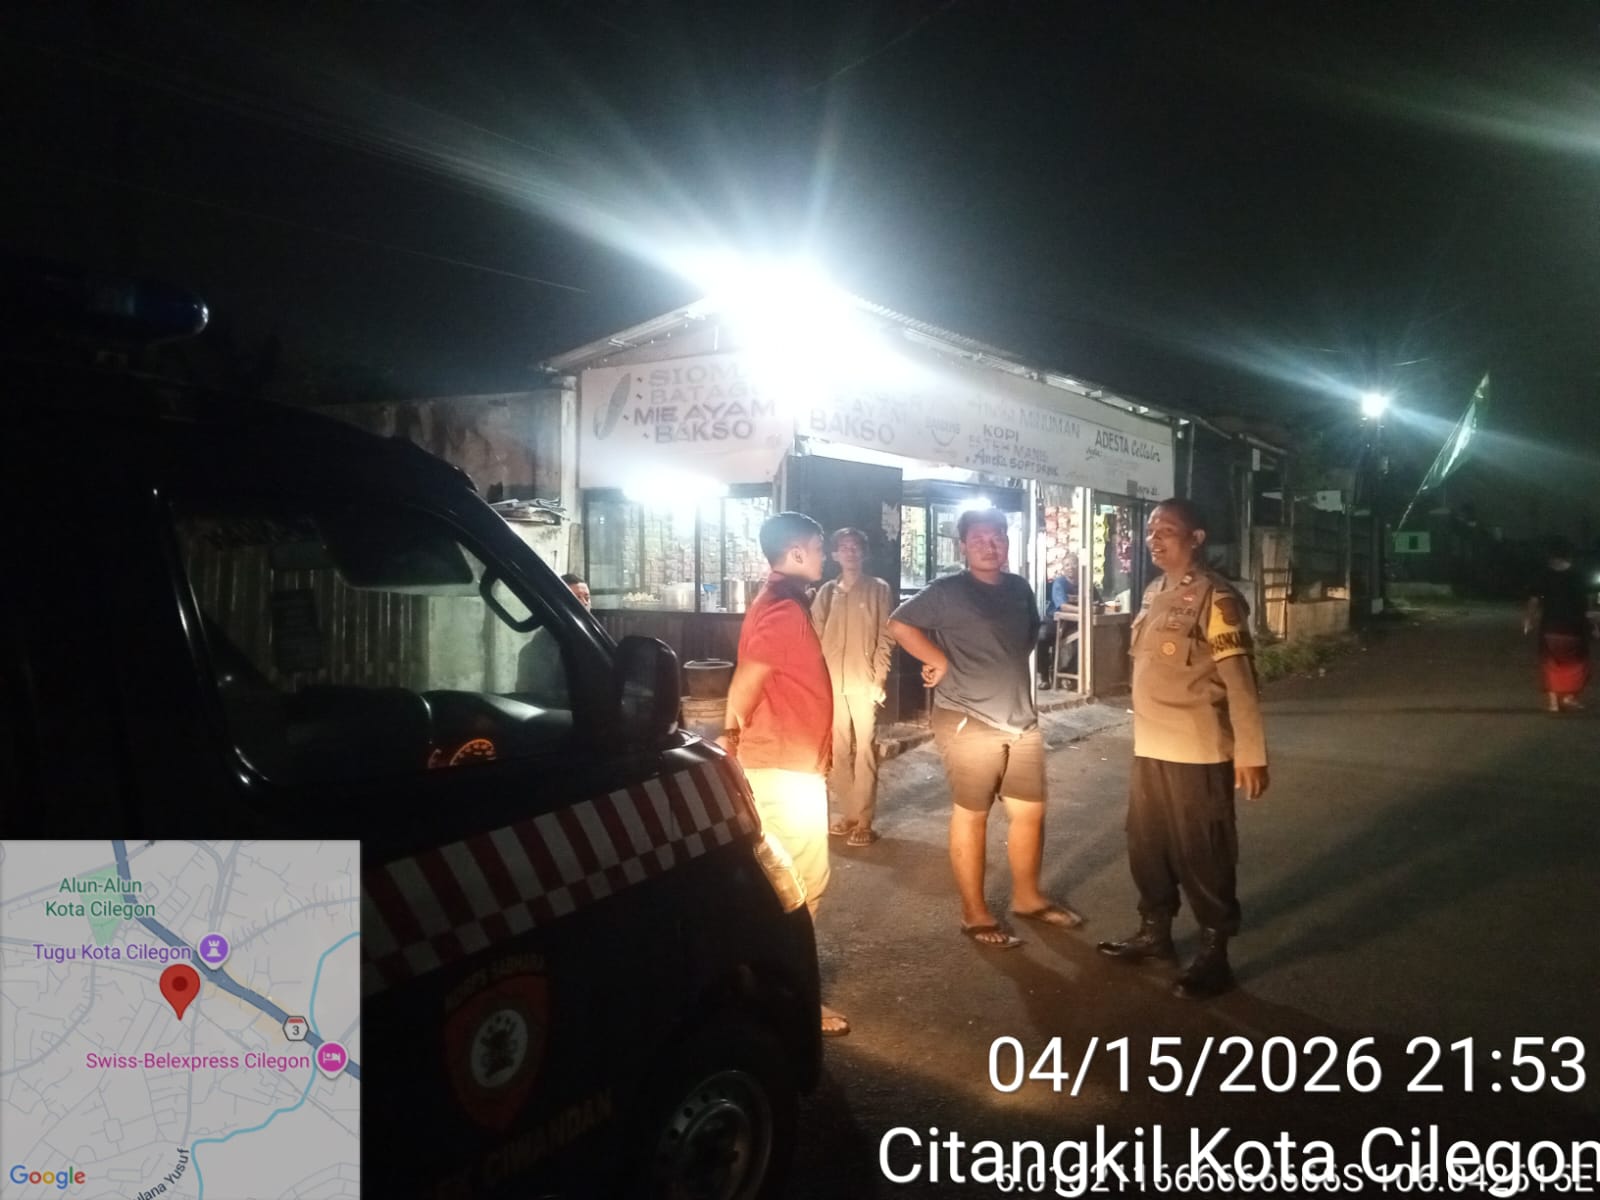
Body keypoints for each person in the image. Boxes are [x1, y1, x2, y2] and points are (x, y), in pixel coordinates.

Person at [1096, 499, 1268, 1000]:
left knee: (1204, 853)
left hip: (1199, 750)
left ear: (1196, 538)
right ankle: (1155, 934)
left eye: (1167, 530)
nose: (1155, 539)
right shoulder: (1153, 591)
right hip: (1151, 746)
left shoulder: (1217, 598)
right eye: (1151, 530)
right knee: (1147, 846)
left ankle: (1215, 953)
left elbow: (1240, 681)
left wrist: (1250, 752)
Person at [887, 507, 1082, 949]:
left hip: (1021, 718)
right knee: (973, 814)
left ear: (1007, 542)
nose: (989, 546)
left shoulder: (1019, 588)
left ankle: (1028, 897)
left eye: (997, 537)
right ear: (963, 546)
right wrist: (937, 659)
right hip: (967, 718)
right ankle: (974, 912)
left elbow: (1026, 638)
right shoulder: (948, 590)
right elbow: (898, 623)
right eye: (978, 539)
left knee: (1030, 811)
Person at [720, 512, 849, 1036]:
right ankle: (790, 998)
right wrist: (728, 743)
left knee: (778, 882)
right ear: (797, 553)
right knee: (801, 884)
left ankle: (758, 986)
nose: (824, 556)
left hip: (783, 761)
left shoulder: (780, 599)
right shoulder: (782, 608)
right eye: (818, 548)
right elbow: (746, 683)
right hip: (783, 766)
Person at [811, 528, 895, 846]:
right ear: (834, 555)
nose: (849, 552)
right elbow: (815, 636)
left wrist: (879, 679)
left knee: (865, 750)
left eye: (855, 547)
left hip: (864, 682)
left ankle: (864, 819)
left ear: (864, 553)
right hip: (831, 682)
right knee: (839, 749)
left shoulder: (878, 589)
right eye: (843, 547)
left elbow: (886, 637)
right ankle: (847, 813)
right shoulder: (827, 592)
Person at [1524, 539, 1590, 712]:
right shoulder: (1578, 576)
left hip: (1551, 626)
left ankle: (1553, 701)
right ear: (1569, 557)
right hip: (1574, 627)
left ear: (1551, 557)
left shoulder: (1544, 575)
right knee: (1577, 663)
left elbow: (1534, 600)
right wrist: (1593, 625)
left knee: (1550, 663)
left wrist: (1529, 619)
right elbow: (1585, 605)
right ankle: (1569, 696)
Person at [514, 572, 593, 703]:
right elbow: (535, 696)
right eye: (577, 597)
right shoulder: (538, 649)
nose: (585, 603)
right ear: (558, 604)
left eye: (587, 597)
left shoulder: (590, 639)